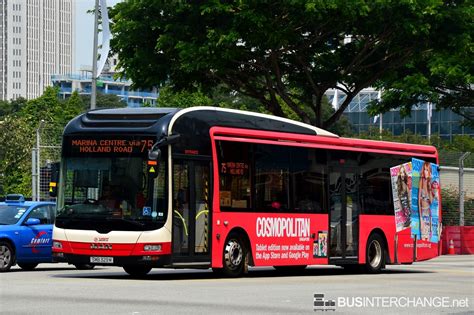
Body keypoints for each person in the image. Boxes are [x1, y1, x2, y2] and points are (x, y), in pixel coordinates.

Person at [418, 162, 433, 240]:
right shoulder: (421, 181)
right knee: (423, 235)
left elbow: (431, 201)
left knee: (428, 235)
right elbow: (418, 198)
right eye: (424, 170)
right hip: (423, 213)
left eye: (427, 170)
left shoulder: (429, 183)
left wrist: (430, 188)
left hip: (428, 212)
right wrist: (420, 216)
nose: (425, 172)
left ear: (430, 171)